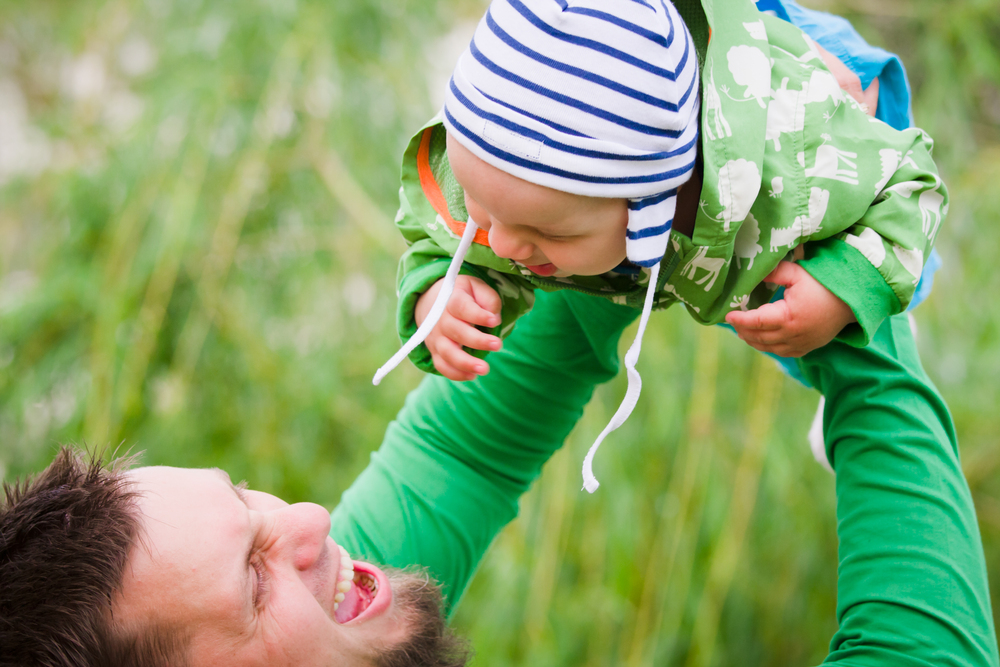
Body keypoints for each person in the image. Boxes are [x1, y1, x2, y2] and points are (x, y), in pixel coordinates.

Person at [1, 290, 997, 666]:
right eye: (255, 580)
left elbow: (463, 450)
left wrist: (675, 176)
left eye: (249, 500)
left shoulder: (337, 610)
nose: (310, 519)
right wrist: (862, 322)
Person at [374, 0, 947, 491]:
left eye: (550, 232)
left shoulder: (795, 153)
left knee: (842, 281)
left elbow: (911, 181)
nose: (501, 242)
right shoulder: (505, 160)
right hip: (613, 77)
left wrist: (845, 289)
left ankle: (887, 328)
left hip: (803, 79)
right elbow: (440, 233)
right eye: (481, 203)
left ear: (652, 204)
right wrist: (437, 296)